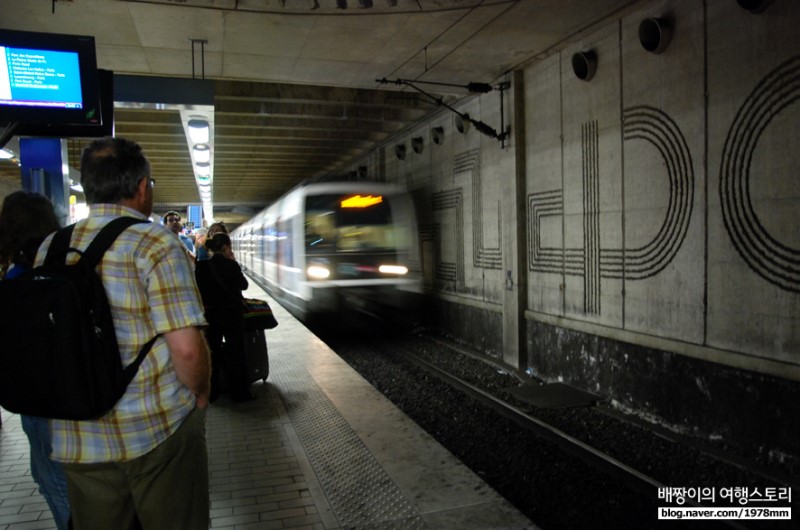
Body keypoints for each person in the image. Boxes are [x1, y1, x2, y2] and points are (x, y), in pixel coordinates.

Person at [34, 137, 211, 530]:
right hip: (155, 432)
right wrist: (201, 393)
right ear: (142, 186)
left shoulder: (51, 247)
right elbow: (186, 349)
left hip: (77, 437)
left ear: (89, 186)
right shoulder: (155, 242)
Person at [0, 191, 71, 530]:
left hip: (38, 401)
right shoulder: (68, 265)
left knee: (53, 482)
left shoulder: (16, 280)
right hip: (74, 392)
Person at [194, 232, 253, 402]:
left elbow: (198, 290)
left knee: (212, 354)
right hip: (232, 315)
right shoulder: (230, 265)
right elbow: (244, 285)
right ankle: (240, 393)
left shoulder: (202, 267)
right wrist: (233, 262)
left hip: (210, 316)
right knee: (237, 354)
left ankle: (212, 393)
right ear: (226, 247)